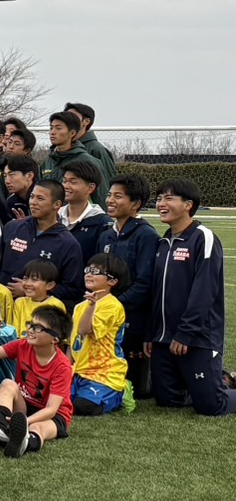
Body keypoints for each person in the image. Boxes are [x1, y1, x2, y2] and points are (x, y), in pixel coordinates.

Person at [147, 178, 234, 416]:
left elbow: (204, 291)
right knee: (167, 400)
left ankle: (216, 385)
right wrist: (152, 334)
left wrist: (186, 332)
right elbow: (157, 294)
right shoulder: (164, 241)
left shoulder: (203, 238)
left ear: (188, 205)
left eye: (169, 198)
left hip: (196, 338)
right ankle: (218, 380)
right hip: (164, 339)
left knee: (211, 406)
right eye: (159, 198)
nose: (161, 204)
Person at [0, 306, 75, 457]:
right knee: (8, 384)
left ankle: (25, 442)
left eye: (38, 328)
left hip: (54, 416)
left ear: (55, 339)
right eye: (31, 324)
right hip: (26, 406)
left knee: (38, 428)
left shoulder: (62, 366)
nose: (30, 330)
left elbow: (51, 409)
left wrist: (25, 422)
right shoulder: (22, 346)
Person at [101, 173, 157, 398]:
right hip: (106, 317)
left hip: (133, 320)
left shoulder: (146, 235)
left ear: (136, 204)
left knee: (137, 390)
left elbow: (145, 283)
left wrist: (113, 304)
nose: (110, 200)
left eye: (118, 196)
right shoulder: (106, 235)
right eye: (109, 195)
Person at [0, 180, 84, 308]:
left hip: (38, 313)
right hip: (2, 307)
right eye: (32, 197)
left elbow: (72, 289)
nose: (33, 202)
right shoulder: (12, 227)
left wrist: (31, 290)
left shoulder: (68, 243)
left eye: (40, 199)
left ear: (57, 204)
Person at [68, 253, 134, 415]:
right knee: (60, 402)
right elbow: (73, 341)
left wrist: (92, 306)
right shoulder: (80, 306)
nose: (89, 274)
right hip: (80, 370)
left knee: (84, 406)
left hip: (104, 373)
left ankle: (121, 393)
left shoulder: (112, 306)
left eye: (96, 272)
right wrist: (66, 369)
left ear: (112, 281)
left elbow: (84, 330)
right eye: (88, 270)